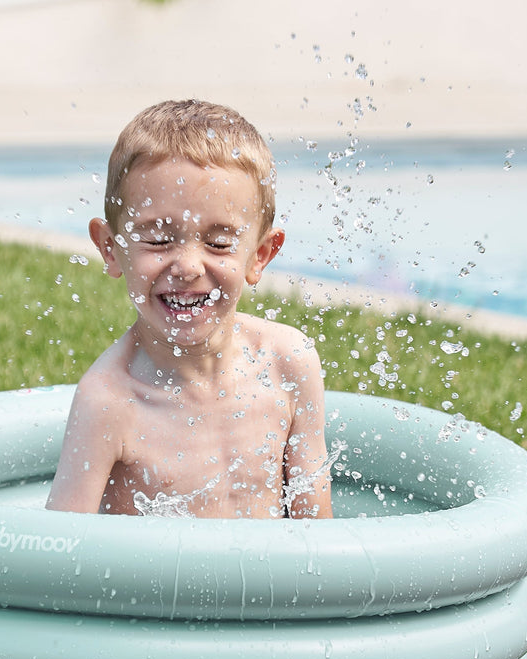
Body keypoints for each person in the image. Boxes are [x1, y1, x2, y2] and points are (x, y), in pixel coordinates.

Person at [46, 100, 333, 519]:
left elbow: (317, 536)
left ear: (260, 255)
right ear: (111, 249)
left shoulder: (288, 364)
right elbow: (58, 557)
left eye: (218, 243)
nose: (187, 266)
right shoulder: (109, 402)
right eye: (159, 240)